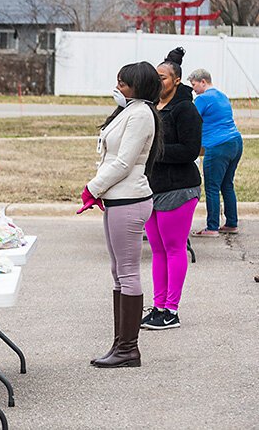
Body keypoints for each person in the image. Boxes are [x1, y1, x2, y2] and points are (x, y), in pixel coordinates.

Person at [78, 61, 162, 369]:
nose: (119, 87)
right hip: (118, 198)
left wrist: (93, 188)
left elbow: (124, 162)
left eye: (124, 83)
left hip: (129, 199)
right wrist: (101, 191)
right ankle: (120, 344)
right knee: (118, 272)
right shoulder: (130, 111)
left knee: (127, 272)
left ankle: (128, 349)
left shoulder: (141, 114)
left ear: (138, 86)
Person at [141, 47, 203, 331]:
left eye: (163, 78)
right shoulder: (153, 107)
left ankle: (172, 311)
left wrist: (155, 151)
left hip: (180, 189)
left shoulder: (186, 109)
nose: (158, 82)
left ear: (176, 80)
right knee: (156, 250)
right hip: (153, 189)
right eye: (156, 78)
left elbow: (190, 150)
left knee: (174, 248)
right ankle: (158, 307)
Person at [187, 68, 243, 237]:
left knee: (212, 187)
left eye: (194, 84)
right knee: (227, 184)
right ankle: (232, 223)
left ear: (203, 81)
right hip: (236, 142)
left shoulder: (203, 99)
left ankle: (212, 227)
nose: (193, 89)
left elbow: (191, 122)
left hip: (217, 146)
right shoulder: (222, 95)